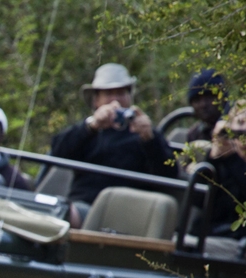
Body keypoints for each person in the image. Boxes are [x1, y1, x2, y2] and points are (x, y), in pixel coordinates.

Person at [50, 63, 177, 227]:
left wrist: (149, 139)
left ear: (130, 97)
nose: (115, 100)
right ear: (96, 100)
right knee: (52, 209)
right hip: (84, 204)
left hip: (125, 211)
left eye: (121, 93)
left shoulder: (145, 134)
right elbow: (57, 153)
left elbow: (169, 175)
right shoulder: (87, 132)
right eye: (109, 94)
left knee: (63, 214)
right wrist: (92, 126)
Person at [190, 100, 246, 240]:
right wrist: (213, 157)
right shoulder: (219, 160)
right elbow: (197, 200)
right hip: (210, 234)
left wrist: (231, 158)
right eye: (240, 123)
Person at [186, 69, 227, 143]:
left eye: (209, 97)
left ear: (223, 98)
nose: (203, 105)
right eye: (197, 100)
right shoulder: (194, 135)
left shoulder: (238, 127)